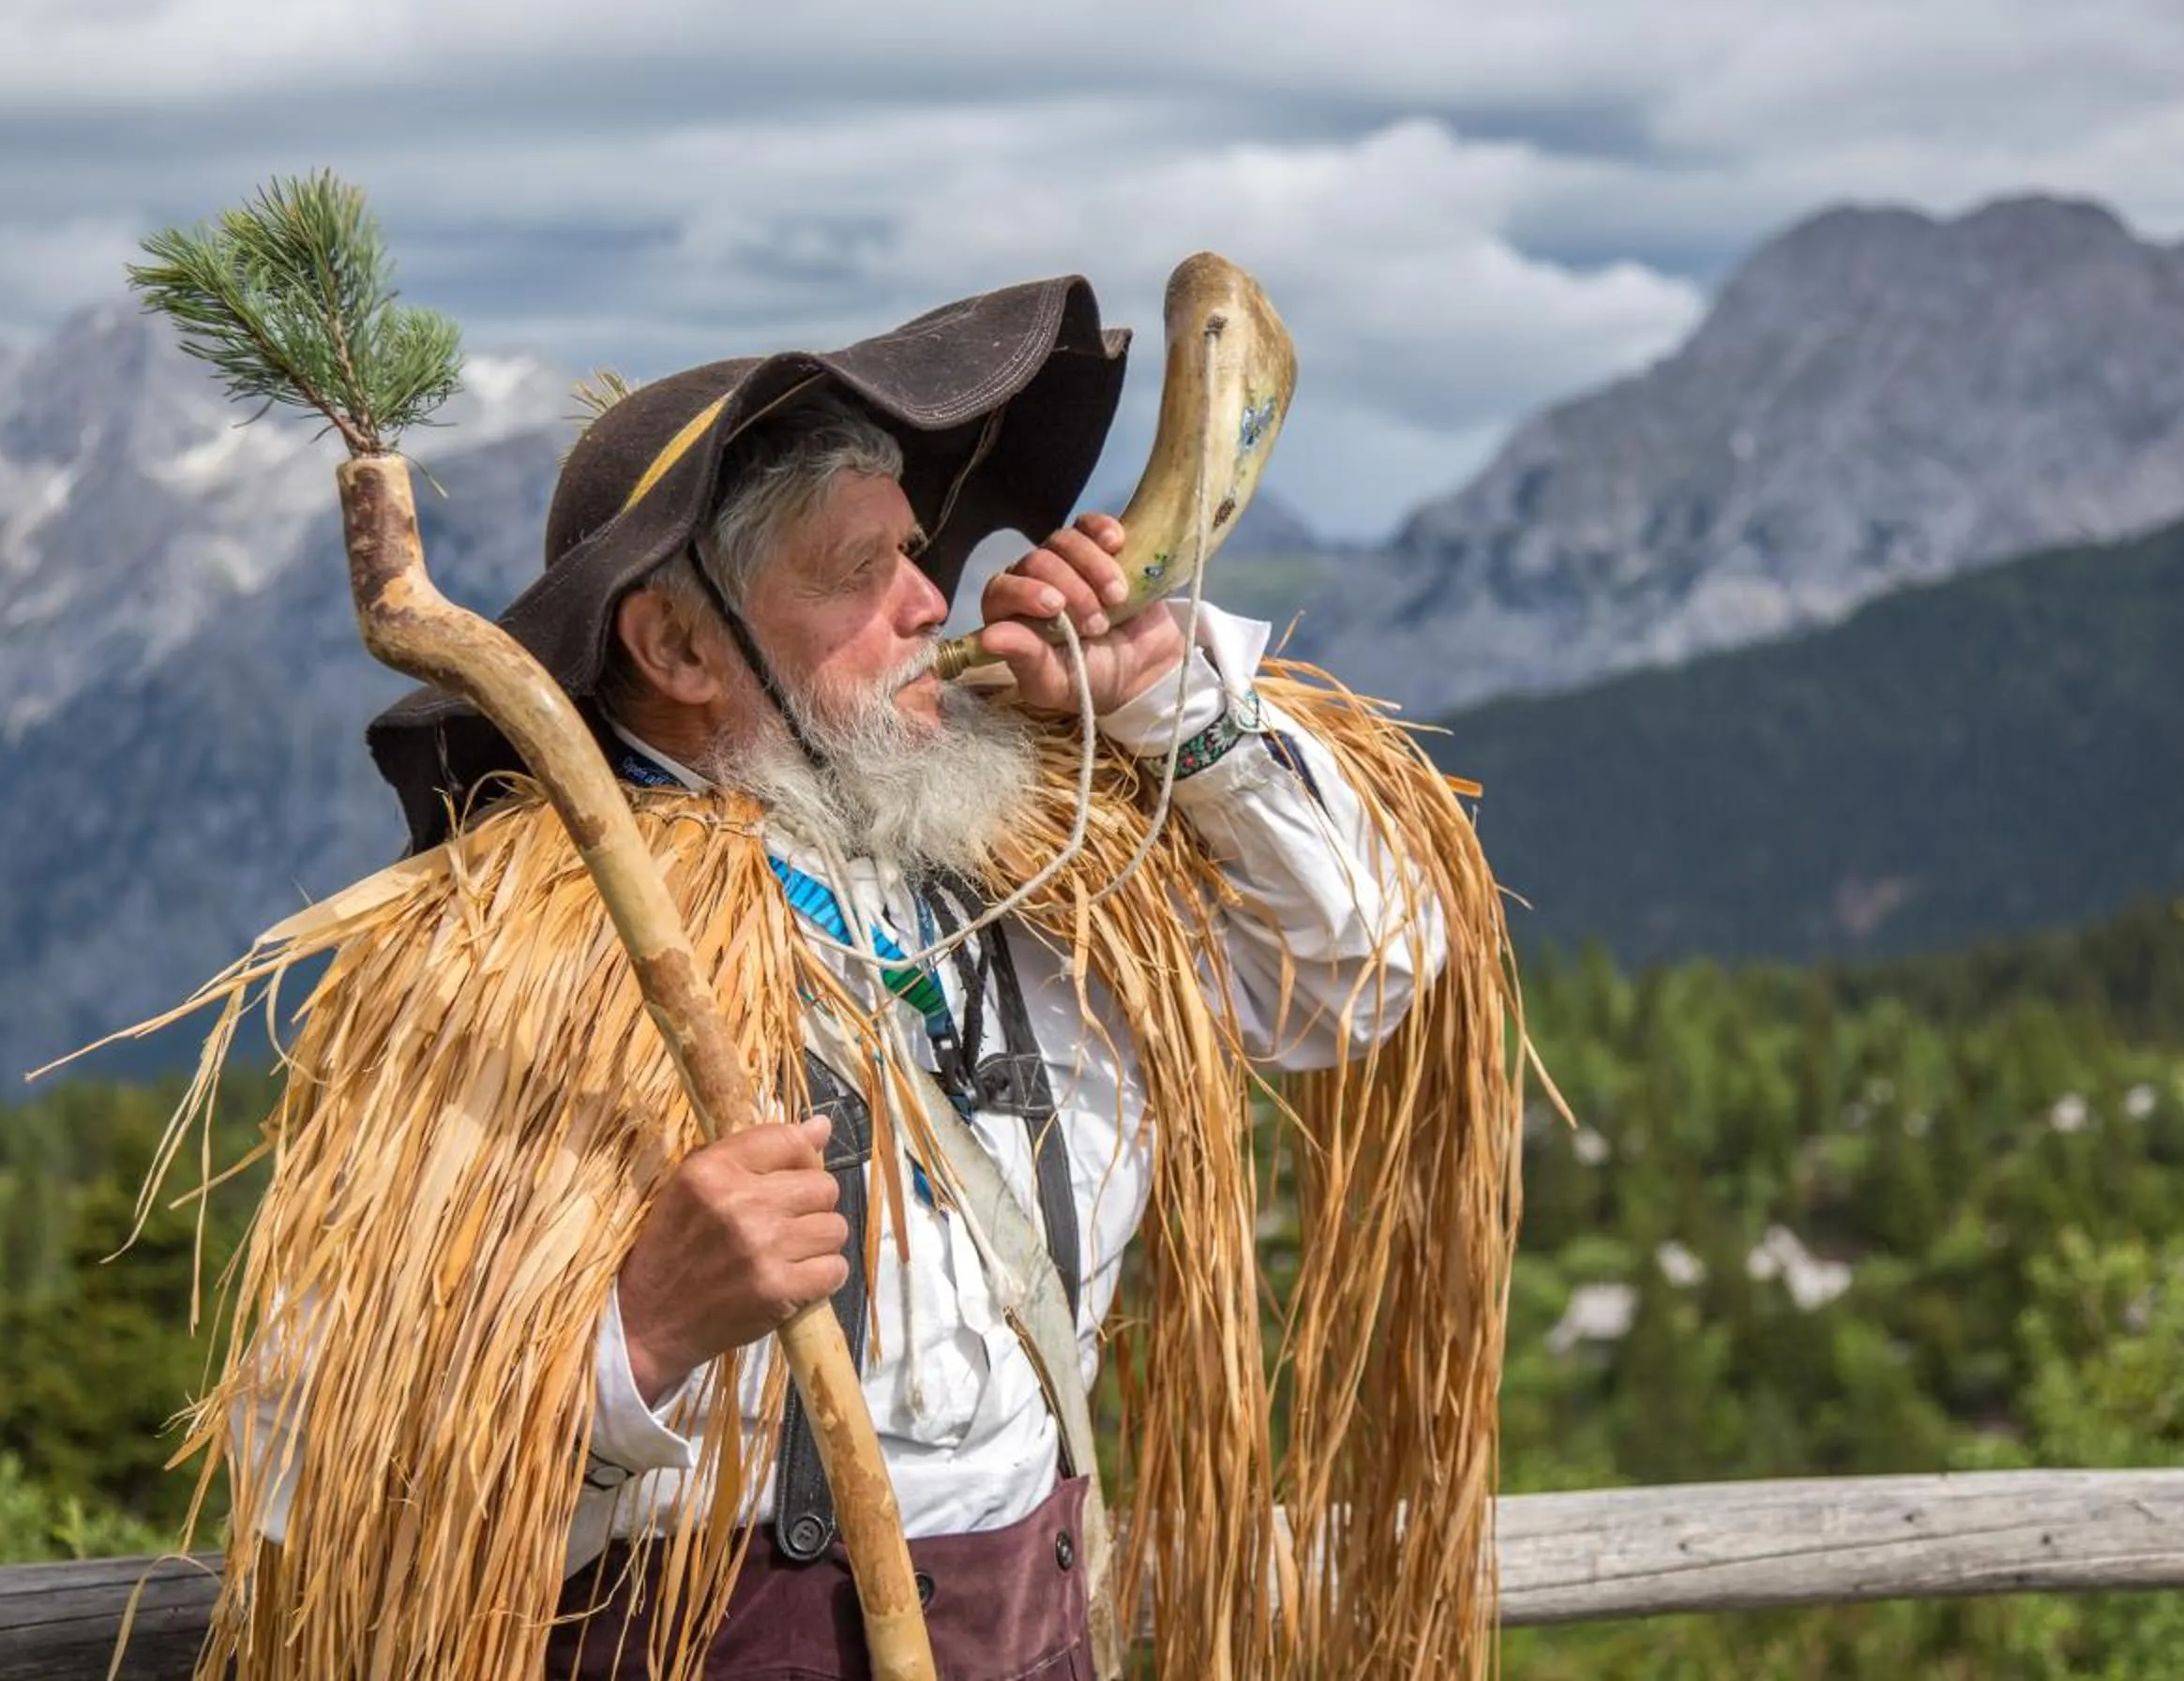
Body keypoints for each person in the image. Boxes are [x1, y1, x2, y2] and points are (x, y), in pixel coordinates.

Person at [169, 277, 1518, 1681]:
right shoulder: (503, 967)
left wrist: (1164, 698)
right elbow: (309, 1464)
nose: (932, 602)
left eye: (917, 555)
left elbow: (1358, 971)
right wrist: (638, 1337)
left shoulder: (1026, 866)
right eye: (856, 570)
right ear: (680, 647)